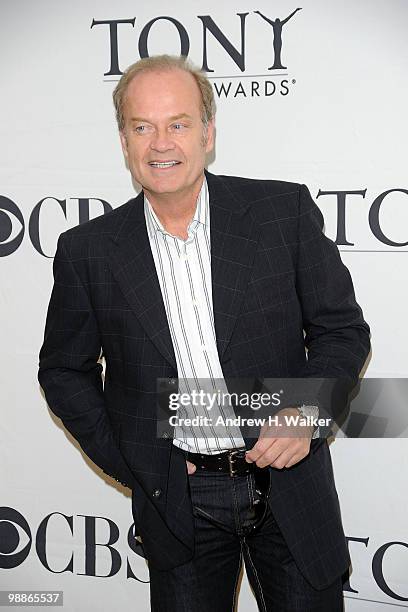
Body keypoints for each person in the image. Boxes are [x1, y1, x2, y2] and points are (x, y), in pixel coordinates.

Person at [38, 54, 371, 611]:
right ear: (124, 140)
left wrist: (305, 412)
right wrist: (138, 461)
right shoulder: (88, 250)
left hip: (290, 486)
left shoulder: (279, 211)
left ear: (208, 132)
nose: (161, 143)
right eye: (143, 126)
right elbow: (63, 371)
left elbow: (342, 330)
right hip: (179, 503)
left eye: (178, 123)